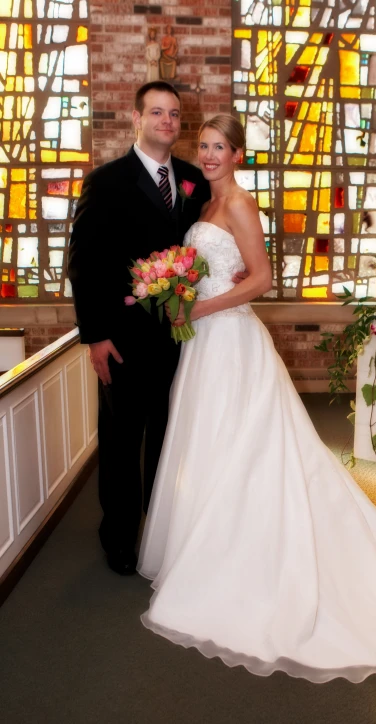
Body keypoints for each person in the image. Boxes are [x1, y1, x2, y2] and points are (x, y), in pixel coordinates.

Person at [137, 115, 376, 683]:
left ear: (239, 155)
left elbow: (262, 279)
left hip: (232, 338)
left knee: (245, 443)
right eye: (205, 147)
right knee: (208, 440)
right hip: (204, 345)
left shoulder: (240, 204)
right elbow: (215, 272)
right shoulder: (203, 207)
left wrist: (199, 307)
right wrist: (179, 293)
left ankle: (245, 557)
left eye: (220, 148)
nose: (211, 155)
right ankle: (207, 544)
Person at [68, 81, 212, 576]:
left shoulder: (194, 180)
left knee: (172, 439)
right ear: (136, 118)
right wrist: (95, 336)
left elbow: (211, 243)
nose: (167, 121)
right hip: (124, 339)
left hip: (183, 338)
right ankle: (120, 537)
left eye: (173, 114)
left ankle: (163, 531)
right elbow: (83, 264)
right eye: (157, 112)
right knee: (123, 441)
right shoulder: (106, 182)